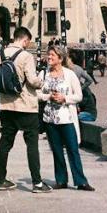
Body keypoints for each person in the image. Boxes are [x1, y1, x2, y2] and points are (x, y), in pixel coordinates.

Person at [0, 26, 48, 192]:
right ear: (25, 40)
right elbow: (32, 81)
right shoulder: (26, 56)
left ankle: (1, 179)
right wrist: (41, 80)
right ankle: (37, 183)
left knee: (5, 142)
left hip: (6, 105)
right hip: (25, 105)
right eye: (28, 42)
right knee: (31, 144)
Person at [37, 44, 93, 191]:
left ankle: (81, 181)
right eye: (48, 55)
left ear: (60, 58)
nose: (49, 57)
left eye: (52, 55)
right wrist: (48, 96)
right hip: (50, 118)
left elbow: (79, 95)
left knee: (73, 149)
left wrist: (65, 98)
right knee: (56, 150)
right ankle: (61, 179)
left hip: (66, 117)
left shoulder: (70, 74)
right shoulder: (44, 74)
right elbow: (36, 93)